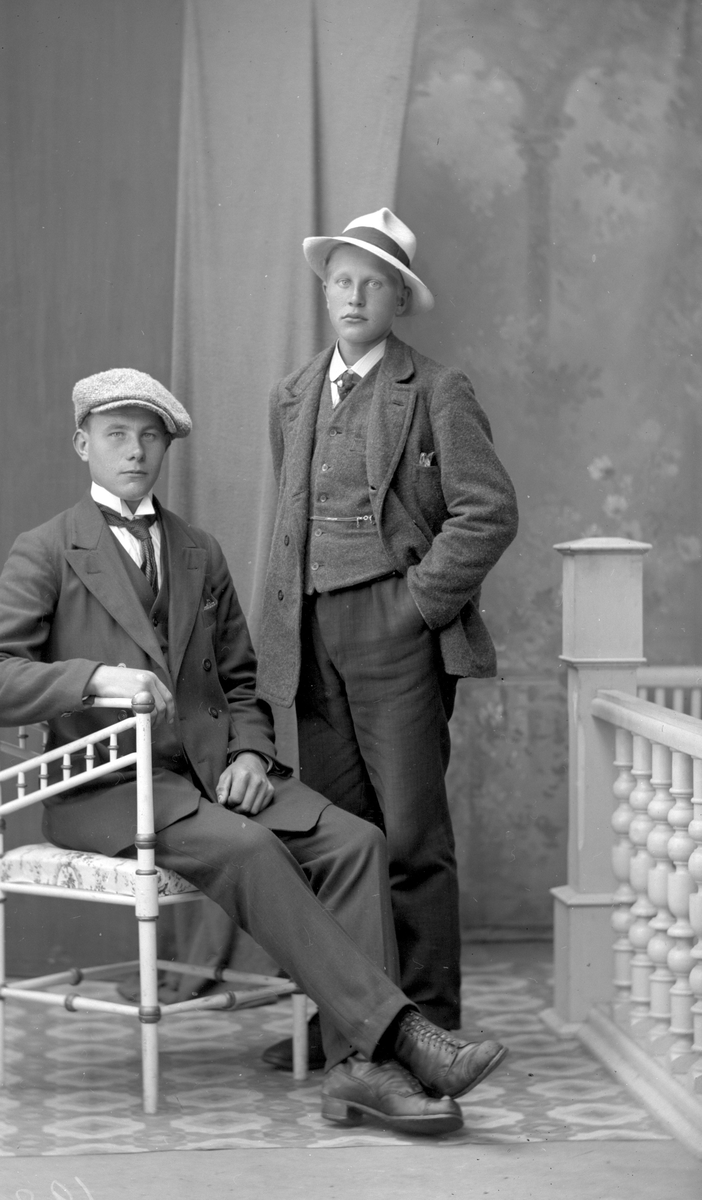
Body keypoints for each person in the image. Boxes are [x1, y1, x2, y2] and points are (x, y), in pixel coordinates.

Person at [0, 368, 508, 1137]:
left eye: (149, 436)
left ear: (166, 447)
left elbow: (242, 679)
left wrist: (248, 753)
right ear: (82, 444)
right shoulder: (44, 551)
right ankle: (399, 1043)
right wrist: (94, 678)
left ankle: (354, 1069)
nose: (134, 451)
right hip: (106, 789)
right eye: (116, 435)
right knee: (248, 849)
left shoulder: (197, 551)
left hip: (211, 777)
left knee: (356, 841)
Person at [257, 209, 518, 1068]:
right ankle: (351, 1021)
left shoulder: (437, 389)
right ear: (325, 289)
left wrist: (413, 606)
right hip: (311, 633)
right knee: (338, 838)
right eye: (342, 279)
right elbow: (291, 524)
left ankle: (428, 1026)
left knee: (409, 836)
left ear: (399, 299)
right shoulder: (293, 394)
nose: (355, 296)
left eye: (374, 283)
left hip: (395, 629)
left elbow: (489, 512)